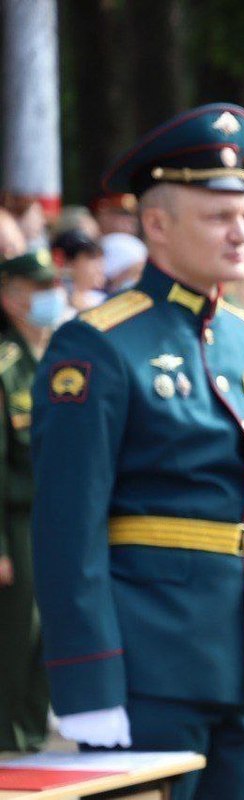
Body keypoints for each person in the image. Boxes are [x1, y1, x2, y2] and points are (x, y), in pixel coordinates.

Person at [31, 103, 244, 800]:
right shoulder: (98, 344)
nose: (241, 232)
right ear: (156, 225)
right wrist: (87, 677)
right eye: (218, 216)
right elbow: (68, 528)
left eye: (243, 214)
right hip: (150, 667)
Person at [0, 249, 61, 752]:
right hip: (16, 521)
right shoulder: (4, 366)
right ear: (11, 298)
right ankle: (8, 739)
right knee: (16, 635)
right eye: (39, 290)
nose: (50, 298)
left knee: (49, 635)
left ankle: (32, 735)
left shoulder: (58, 359)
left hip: (55, 519)